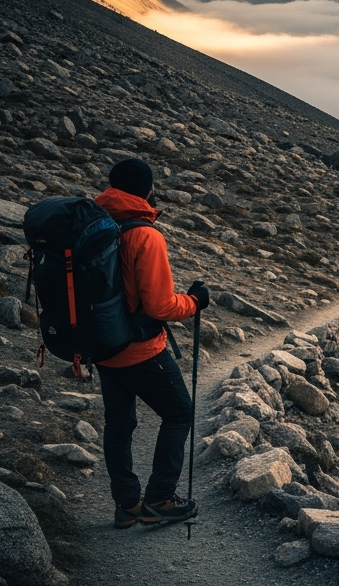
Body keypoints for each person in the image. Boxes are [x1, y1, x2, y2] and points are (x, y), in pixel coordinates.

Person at [93, 157, 209, 529]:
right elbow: (159, 305)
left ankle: (127, 505)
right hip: (140, 349)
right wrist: (194, 302)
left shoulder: (97, 223)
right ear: (146, 189)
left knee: (119, 424)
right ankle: (159, 498)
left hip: (104, 347)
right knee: (179, 413)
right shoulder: (145, 234)